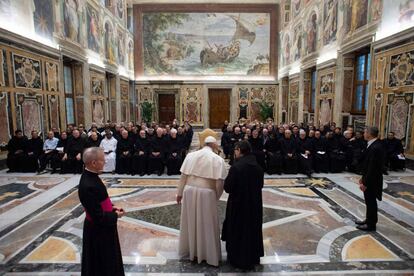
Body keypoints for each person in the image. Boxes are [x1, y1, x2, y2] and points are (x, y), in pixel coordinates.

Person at [177, 136, 227, 267]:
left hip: (188, 190)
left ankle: (191, 251)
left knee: (190, 221)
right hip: (207, 193)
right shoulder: (218, 159)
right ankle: (207, 254)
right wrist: (216, 196)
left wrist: (179, 193)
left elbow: (183, 177)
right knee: (207, 223)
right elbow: (220, 183)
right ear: (214, 145)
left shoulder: (190, 156)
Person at [78, 147, 125, 276]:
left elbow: (100, 202)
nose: (105, 162)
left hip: (103, 227)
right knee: (102, 265)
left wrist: (112, 207)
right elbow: (98, 216)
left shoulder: (92, 176)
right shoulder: (87, 185)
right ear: (93, 163)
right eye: (102, 160)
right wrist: (115, 215)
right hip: (98, 232)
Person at [222, 140, 264, 270]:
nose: (234, 152)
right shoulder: (258, 167)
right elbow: (260, 185)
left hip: (238, 206)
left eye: (235, 150)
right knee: (252, 229)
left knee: (238, 230)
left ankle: (237, 259)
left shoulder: (236, 167)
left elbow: (228, 187)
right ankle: (253, 257)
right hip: (254, 205)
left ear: (239, 150)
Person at [356, 126, 384, 232]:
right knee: (369, 201)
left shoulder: (376, 147)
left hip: (372, 181)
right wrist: (363, 178)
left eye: (364, 132)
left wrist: (365, 183)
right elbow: (368, 165)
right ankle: (368, 220)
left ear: (369, 134)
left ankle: (371, 225)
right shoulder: (373, 144)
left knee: (371, 202)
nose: (363, 134)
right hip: (369, 179)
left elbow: (373, 168)